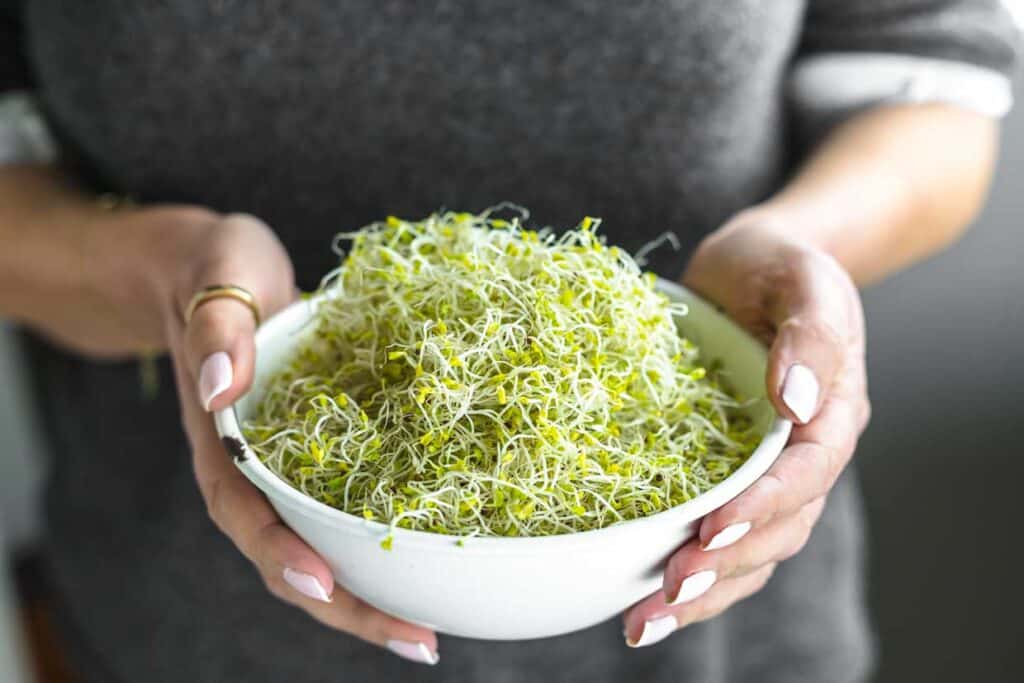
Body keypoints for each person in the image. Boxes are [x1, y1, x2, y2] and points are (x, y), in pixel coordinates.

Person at [0, 2, 1018, 681]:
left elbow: (930, 85)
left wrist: (800, 245)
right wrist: (163, 271)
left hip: (715, 621)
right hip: (178, 628)